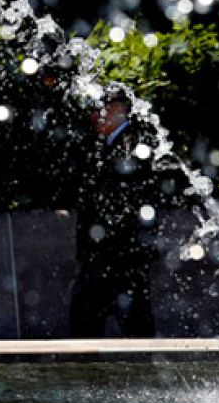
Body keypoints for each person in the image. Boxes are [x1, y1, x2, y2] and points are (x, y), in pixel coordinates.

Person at [68, 88, 165, 338]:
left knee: (114, 323)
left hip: (117, 256)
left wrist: (105, 239)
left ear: (117, 110)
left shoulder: (131, 144)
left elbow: (125, 200)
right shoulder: (112, 145)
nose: (93, 117)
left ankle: (94, 373)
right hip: (111, 256)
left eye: (98, 110)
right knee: (96, 321)